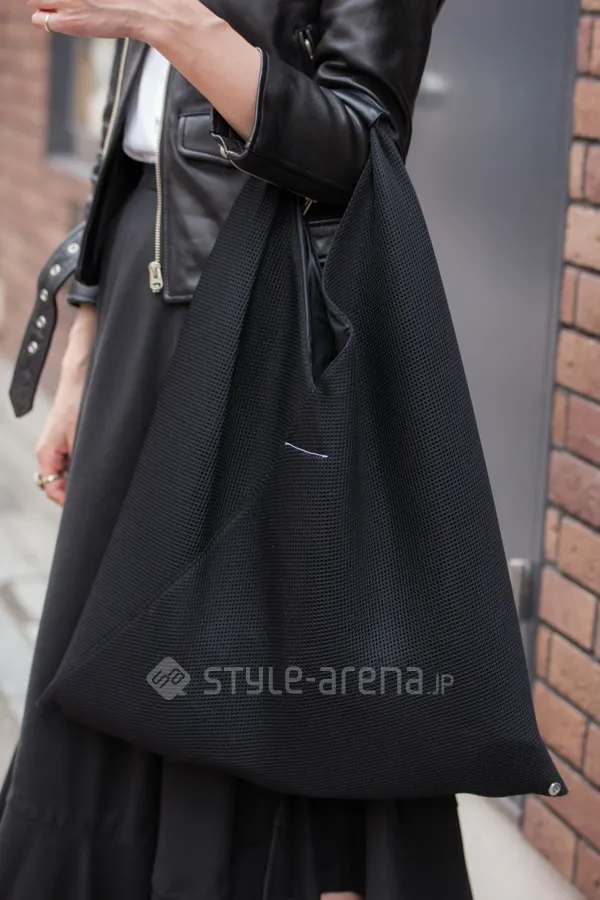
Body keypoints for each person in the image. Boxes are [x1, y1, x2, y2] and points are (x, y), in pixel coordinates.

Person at [0, 1, 475, 898]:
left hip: (265, 306)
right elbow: (136, 139)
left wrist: (175, 23)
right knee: (107, 644)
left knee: (230, 667)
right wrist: (84, 343)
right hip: (145, 284)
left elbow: (361, 150)